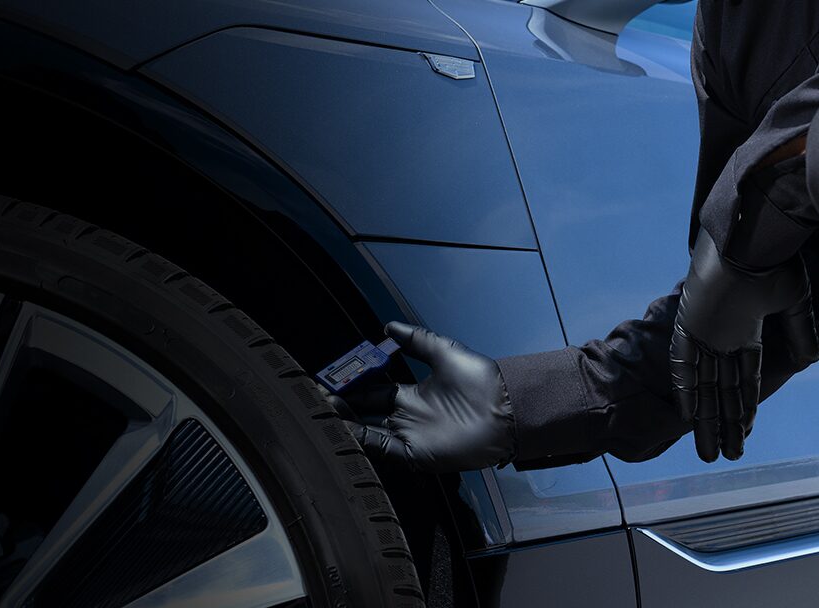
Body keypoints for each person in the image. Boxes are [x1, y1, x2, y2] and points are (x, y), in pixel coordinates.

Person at [338, 0, 819, 473]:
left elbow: (761, 275)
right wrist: (530, 403)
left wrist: (741, 254)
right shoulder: (729, 29)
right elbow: (776, 301)